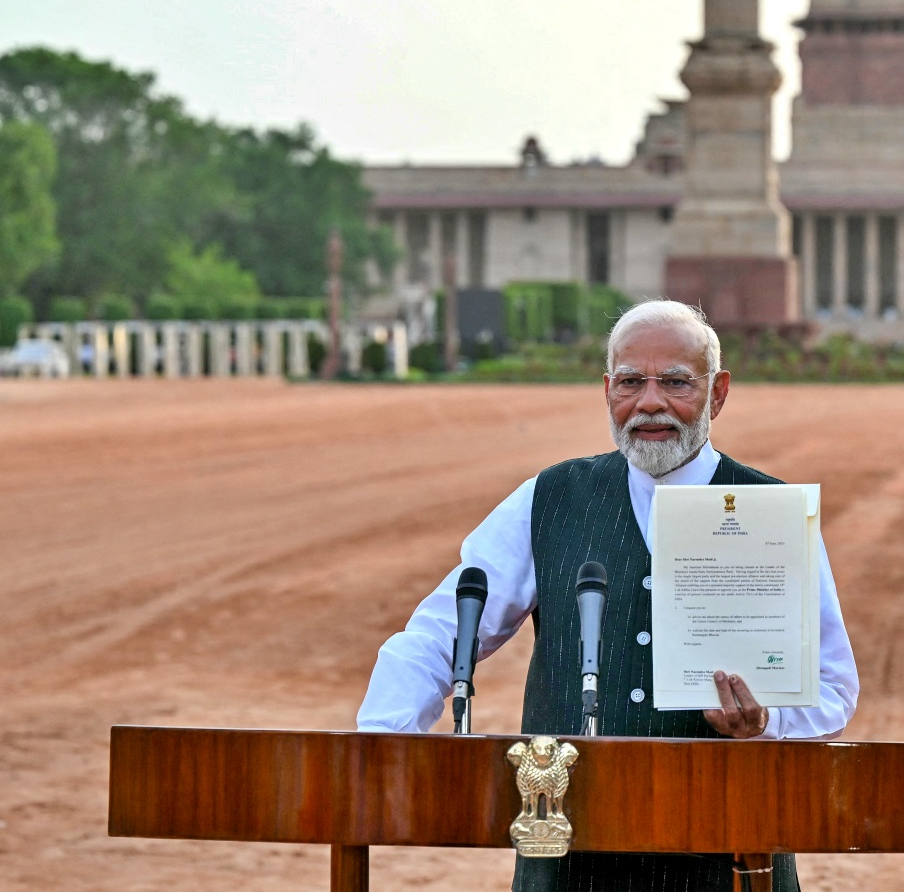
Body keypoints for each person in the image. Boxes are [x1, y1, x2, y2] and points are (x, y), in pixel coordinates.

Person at [357, 300, 859, 892]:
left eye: (675, 382)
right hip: (571, 853)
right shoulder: (551, 498)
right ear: (606, 390)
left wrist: (769, 719)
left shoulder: (769, 511)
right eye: (630, 382)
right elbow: (443, 632)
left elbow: (833, 687)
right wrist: (380, 750)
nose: (649, 403)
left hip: (727, 850)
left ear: (718, 394)